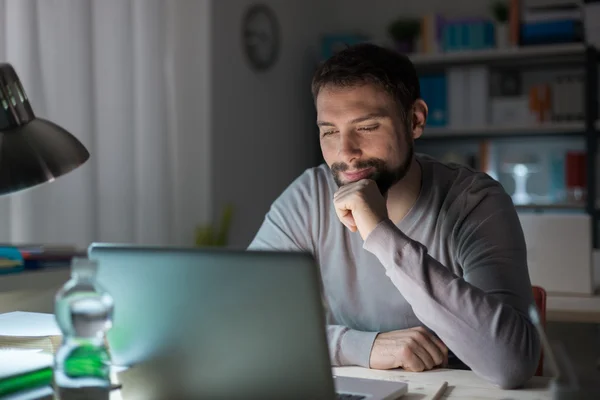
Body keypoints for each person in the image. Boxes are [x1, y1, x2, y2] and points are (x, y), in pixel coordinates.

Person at [248, 43, 540, 389]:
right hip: (359, 387)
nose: (346, 153)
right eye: (329, 131)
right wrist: (363, 347)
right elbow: (243, 324)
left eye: (367, 127)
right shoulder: (309, 197)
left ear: (414, 120)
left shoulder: (475, 202)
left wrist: (380, 234)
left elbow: (511, 363)